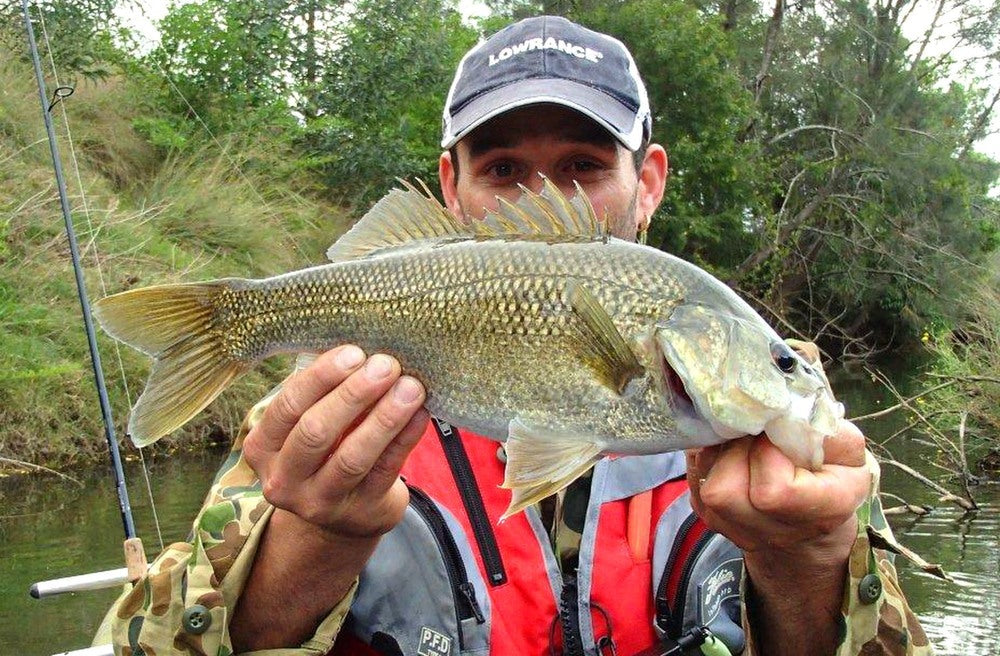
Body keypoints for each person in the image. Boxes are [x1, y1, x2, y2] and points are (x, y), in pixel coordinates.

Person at [107, 15, 932, 656]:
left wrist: (807, 568)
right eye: (502, 169)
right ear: (449, 188)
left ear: (647, 184)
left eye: (583, 166)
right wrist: (308, 547)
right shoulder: (317, 423)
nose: (542, 195)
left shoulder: (792, 429)